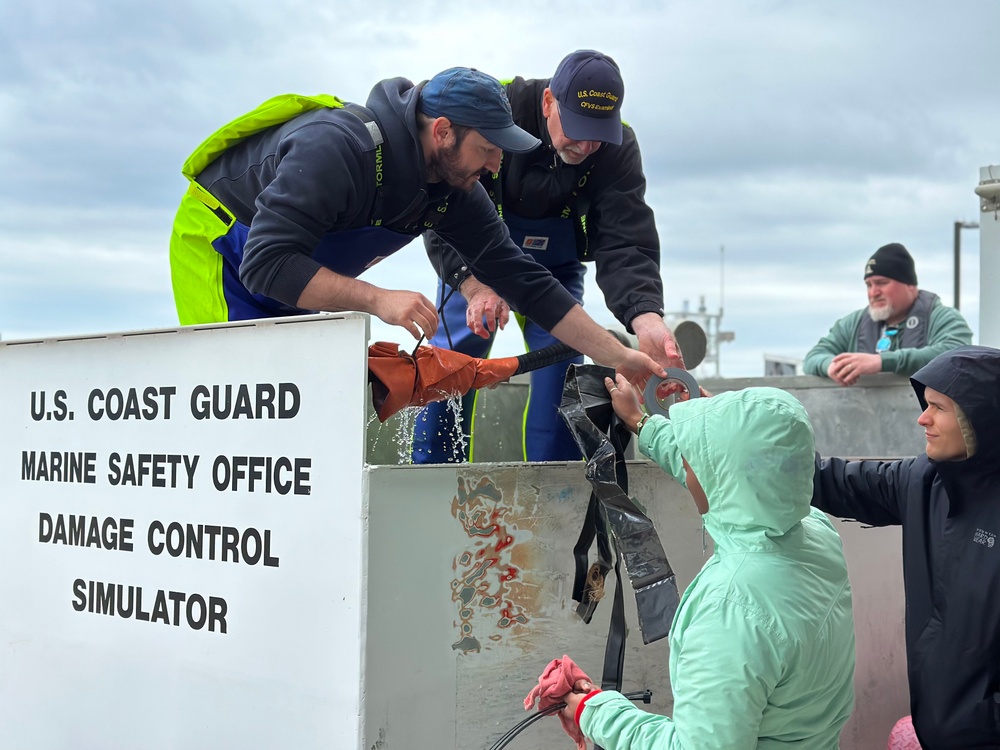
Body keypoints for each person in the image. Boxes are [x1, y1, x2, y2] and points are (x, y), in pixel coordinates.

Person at [169, 67, 663, 386]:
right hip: (228, 247)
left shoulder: (452, 189)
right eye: (488, 149)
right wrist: (378, 299)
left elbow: (527, 282)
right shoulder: (337, 149)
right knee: (240, 399)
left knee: (294, 405)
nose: (495, 167)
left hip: (292, 269)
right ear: (443, 131)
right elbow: (266, 265)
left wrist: (619, 355)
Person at [411, 50, 682, 464]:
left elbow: (626, 241)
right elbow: (443, 196)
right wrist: (473, 284)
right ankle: (427, 482)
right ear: (549, 102)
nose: (587, 145)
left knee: (563, 368)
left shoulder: (617, 148)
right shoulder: (494, 109)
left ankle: (553, 495)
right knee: (451, 362)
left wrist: (645, 315)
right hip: (475, 261)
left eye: (599, 135)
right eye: (577, 129)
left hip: (555, 271)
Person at [554, 380, 856, 748]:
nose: (684, 461)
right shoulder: (814, 532)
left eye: (695, 456)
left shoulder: (731, 610)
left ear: (724, 476)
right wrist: (642, 422)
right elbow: (725, 478)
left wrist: (594, 711)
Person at [813, 345, 1000, 748]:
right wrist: (728, 430)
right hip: (936, 730)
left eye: (938, 408)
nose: (922, 418)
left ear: (980, 418)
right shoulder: (925, 480)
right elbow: (833, 481)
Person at [803, 242, 971, 385]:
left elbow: (956, 354)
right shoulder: (852, 324)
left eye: (881, 283)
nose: (873, 293)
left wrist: (881, 362)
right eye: (869, 285)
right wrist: (831, 366)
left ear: (909, 284)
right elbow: (813, 357)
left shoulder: (942, 318)